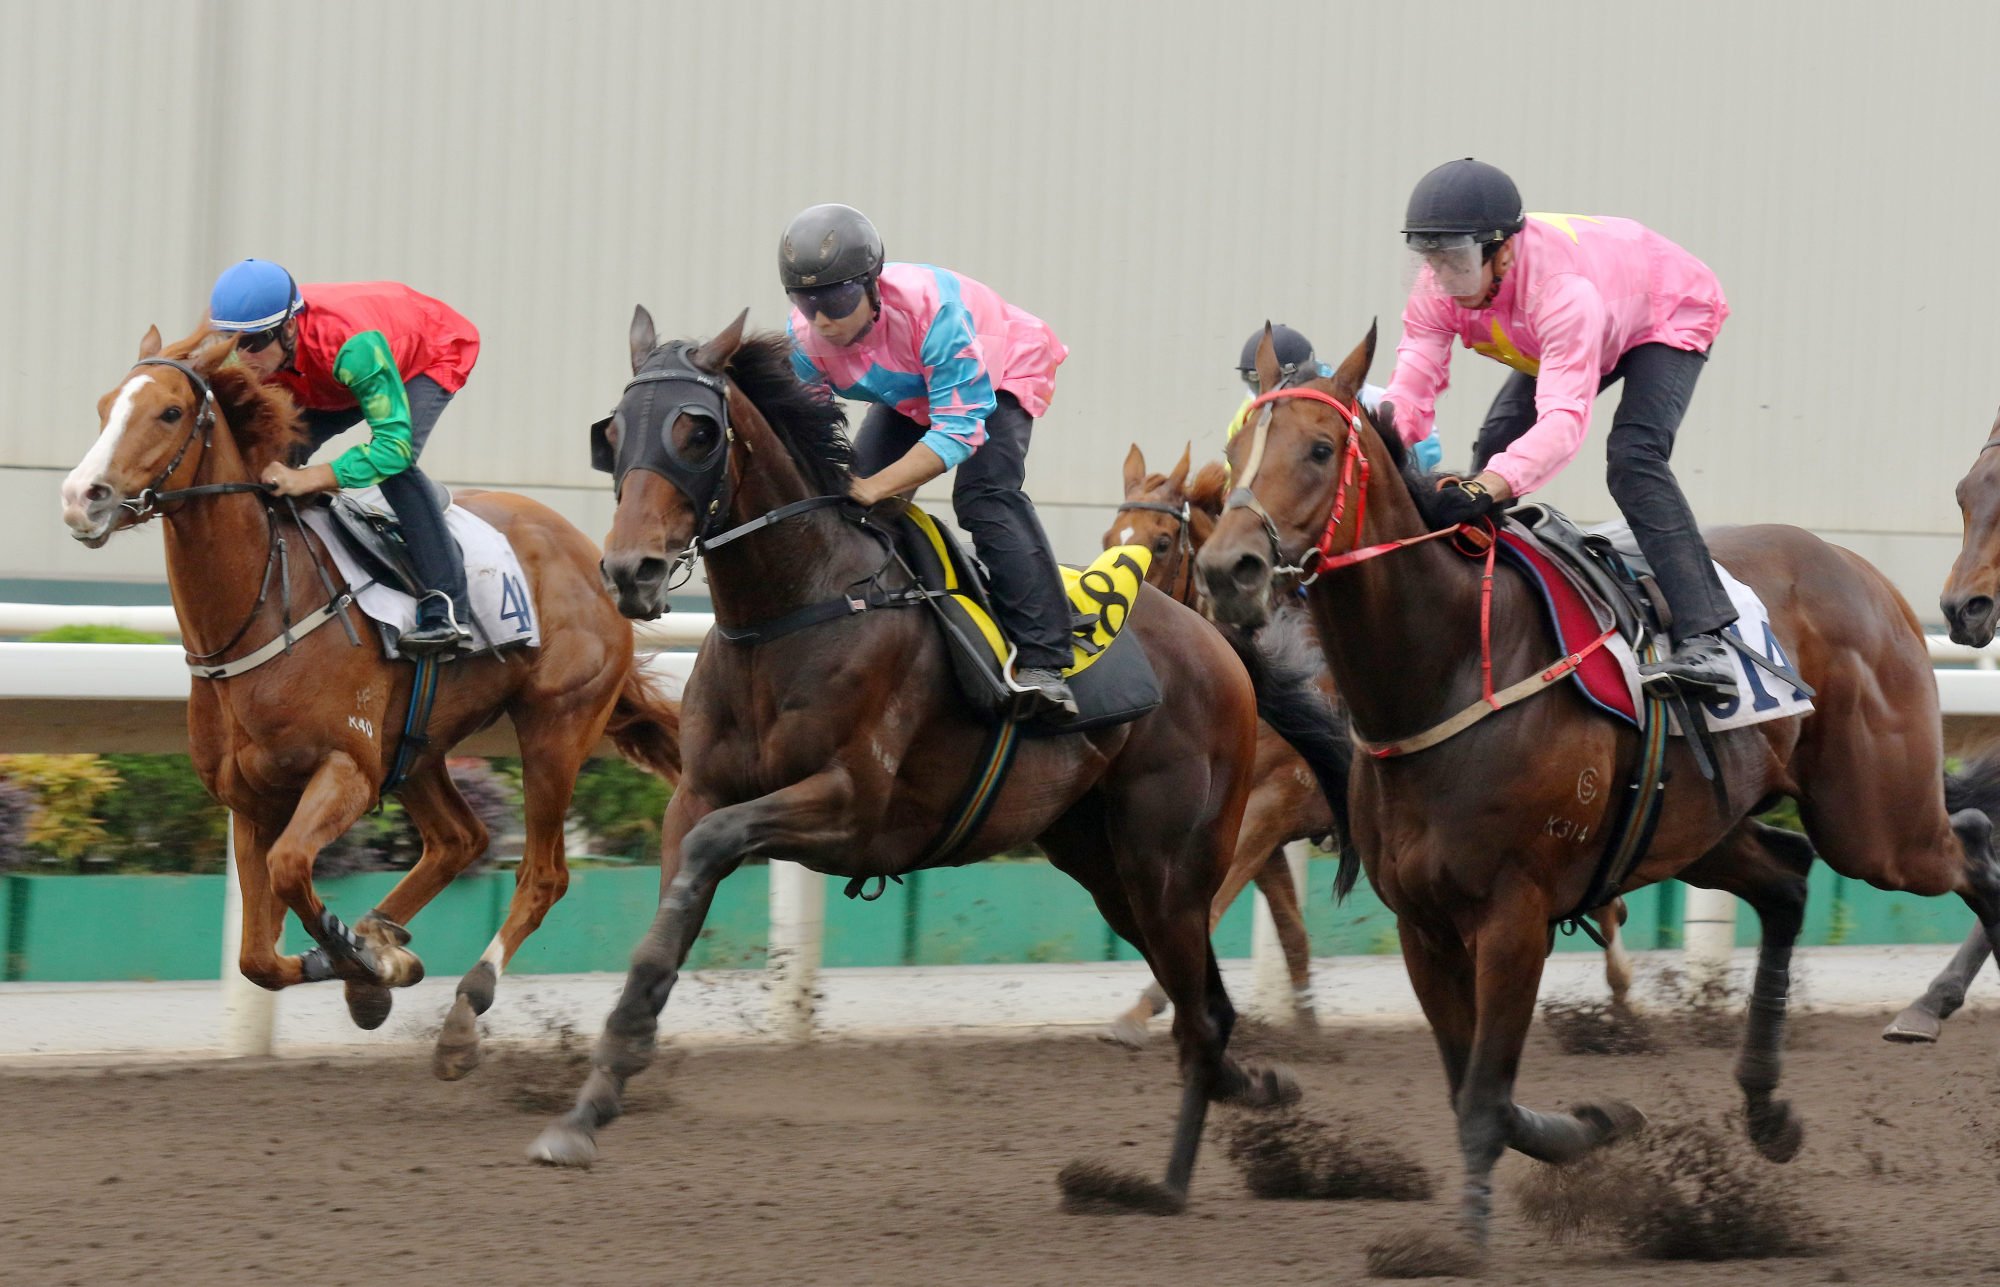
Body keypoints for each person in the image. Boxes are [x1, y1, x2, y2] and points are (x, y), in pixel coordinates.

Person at [1379, 158, 1738, 696]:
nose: (1444, 278)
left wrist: (1487, 487)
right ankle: (1477, 590)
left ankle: (1707, 641)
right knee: (1497, 442)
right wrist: (1374, 448)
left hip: (1666, 310)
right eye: (1432, 259)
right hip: (1589, 313)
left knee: (1633, 458)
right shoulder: (1438, 287)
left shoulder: (1562, 294)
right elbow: (1409, 392)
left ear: (1503, 251)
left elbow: (1563, 421)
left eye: (1457, 261)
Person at [780, 203, 1078, 721]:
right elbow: (811, 434)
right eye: (808, 304)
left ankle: (1046, 661)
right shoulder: (805, 340)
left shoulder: (933, 314)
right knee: (851, 507)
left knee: (983, 497)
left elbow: (959, 430)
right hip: (912, 388)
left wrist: (877, 486)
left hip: (1000, 369)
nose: (823, 320)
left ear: (871, 286)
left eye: (837, 301)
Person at [206, 259, 481, 654]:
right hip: (326, 372)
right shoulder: (258, 349)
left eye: (253, 343)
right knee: (273, 454)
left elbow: (392, 449)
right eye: (230, 342)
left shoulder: (353, 347)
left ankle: (448, 606)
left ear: (288, 328)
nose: (241, 358)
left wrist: (310, 477)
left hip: (427, 353)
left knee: (395, 469)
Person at [1228, 325, 1441, 472]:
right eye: (1253, 383)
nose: (1266, 392)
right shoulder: (1250, 410)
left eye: (1281, 381)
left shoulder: (1366, 398)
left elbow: (1428, 440)